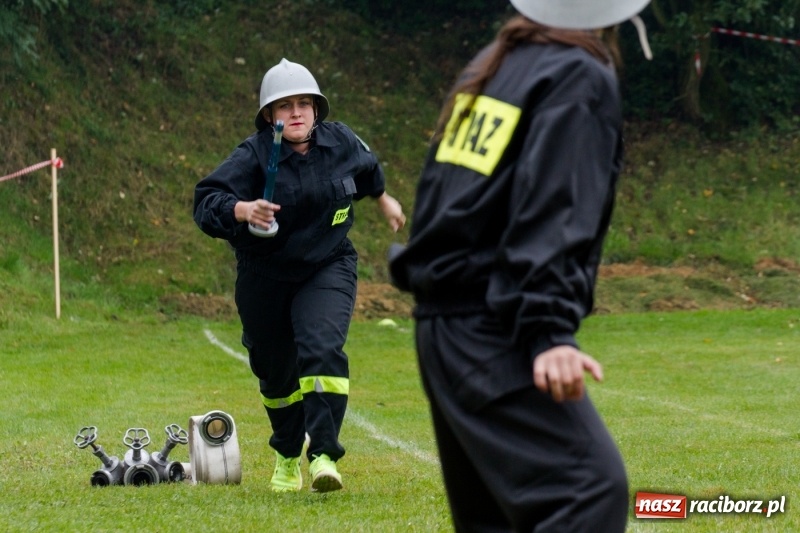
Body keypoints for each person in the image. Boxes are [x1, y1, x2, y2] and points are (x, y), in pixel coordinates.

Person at [389, 0, 652, 530]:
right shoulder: (578, 72)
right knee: (589, 490)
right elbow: (554, 202)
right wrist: (548, 330)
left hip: (444, 325)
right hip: (493, 327)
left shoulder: (498, 61)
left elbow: (444, 196)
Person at [194, 58, 406, 493]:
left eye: (304, 104)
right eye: (284, 105)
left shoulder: (340, 140)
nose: (295, 112)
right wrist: (241, 209)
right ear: (269, 116)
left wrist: (384, 199)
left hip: (327, 264)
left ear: (316, 109)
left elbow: (368, 167)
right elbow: (205, 201)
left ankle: (325, 454)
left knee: (322, 347)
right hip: (264, 275)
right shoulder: (251, 156)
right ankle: (287, 453)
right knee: (275, 373)